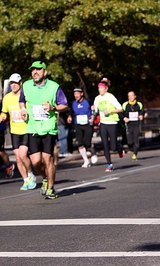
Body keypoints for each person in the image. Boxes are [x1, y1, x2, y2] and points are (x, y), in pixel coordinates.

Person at [19, 61, 69, 199]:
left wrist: (52, 107)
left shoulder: (54, 87)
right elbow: (21, 100)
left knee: (48, 159)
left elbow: (64, 105)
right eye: (33, 70)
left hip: (48, 128)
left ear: (45, 72)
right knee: (35, 162)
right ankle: (46, 178)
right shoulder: (27, 85)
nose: (35, 72)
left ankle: (51, 189)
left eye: (38, 70)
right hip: (33, 128)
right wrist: (23, 109)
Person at [0, 73, 35, 189]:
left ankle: (30, 174)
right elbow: (4, 111)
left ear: (20, 84)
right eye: (12, 83)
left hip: (25, 129)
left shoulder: (26, 96)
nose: (13, 86)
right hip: (14, 130)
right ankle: (25, 180)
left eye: (15, 83)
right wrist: (3, 116)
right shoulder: (7, 98)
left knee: (23, 155)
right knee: (18, 157)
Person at [93, 78, 124, 171]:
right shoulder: (97, 98)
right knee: (105, 144)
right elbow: (95, 111)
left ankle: (119, 147)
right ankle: (109, 164)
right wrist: (93, 114)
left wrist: (110, 111)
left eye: (101, 88)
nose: (99, 90)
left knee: (113, 147)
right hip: (103, 123)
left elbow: (120, 108)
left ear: (106, 89)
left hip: (112, 122)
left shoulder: (110, 97)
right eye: (98, 88)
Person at [67, 88, 97, 168]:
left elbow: (94, 110)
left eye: (77, 94)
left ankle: (93, 152)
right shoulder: (73, 103)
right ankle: (86, 160)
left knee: (87, 143)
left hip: (87, 124)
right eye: (75, 94)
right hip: (78, 124)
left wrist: (93, 116)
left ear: (81, 94)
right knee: (80, 143)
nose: (76, 95)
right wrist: (69, 117)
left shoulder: (88, 101)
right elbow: (70, 112)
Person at [122, 91, 144, 161]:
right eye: (129, 96)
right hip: (129, 125)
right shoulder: (125, 105)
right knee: (130, 142)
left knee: (136, 140)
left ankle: (135, 154)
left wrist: (141, 116)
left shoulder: (139, 104)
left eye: (132, 96)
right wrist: (124, 118)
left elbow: (142, 111)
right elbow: (121, 113)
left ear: (135, 96)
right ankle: (131, 148)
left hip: (136, 125)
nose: (131, 97)